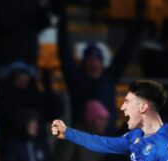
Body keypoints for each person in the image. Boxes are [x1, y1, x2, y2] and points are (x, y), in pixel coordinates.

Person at [56, 1, 143, 132]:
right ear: (84, 62)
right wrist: (62, 21)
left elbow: (126, 51)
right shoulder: (76, 78)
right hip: (85, 139)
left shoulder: (110, 76)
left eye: (97, 59)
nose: (94, 62)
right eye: (90, 58)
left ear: (102, 62)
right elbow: (64, 53)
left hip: (108, 138)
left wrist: (138, 21)